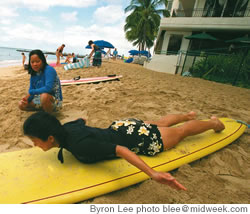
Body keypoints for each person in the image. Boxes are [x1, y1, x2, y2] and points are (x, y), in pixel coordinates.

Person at [23, 111, 225, 191]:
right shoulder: (66, 127)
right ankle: (188, 114)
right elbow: (82, 120)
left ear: (50, 138)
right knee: (159, 124)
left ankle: (213, 123)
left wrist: (152, 173)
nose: (34, 145)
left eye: (35, 140)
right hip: (121, 126)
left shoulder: (79, 145)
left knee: (180, 132)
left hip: (138, 139)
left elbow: (120, 149)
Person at [18, 49, 63, 113]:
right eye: (32, 62)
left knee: (44, 96)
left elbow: (48, 88)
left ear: (42, 61)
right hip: (40, 99)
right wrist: (27, 99)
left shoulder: (49, 70)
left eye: (37, 61)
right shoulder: (33, 73)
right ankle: (43, 110)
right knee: (21, 104)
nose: (35, 64)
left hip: (55, 101)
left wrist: (31, 92)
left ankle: (48, 116)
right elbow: (31, 90)